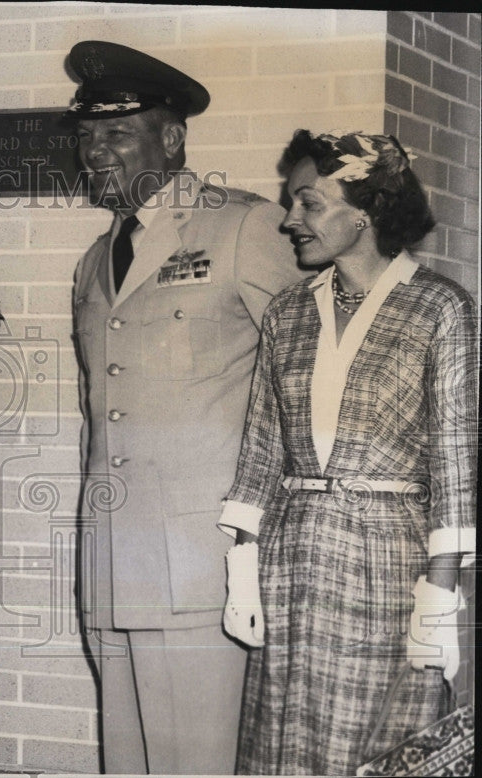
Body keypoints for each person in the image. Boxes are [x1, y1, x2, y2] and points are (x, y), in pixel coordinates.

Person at [66, 41, 308, 774]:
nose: (95, 151)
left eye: (117, 133)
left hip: (204, 561)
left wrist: (273, 544)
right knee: (129, 762)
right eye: (86, 136)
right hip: (112, 559)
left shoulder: (245, 228)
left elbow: (303, 385)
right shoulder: (92, 258)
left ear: (171, 139)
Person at [220, 129, 477, 775]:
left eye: (308, 203)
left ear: (367, 212)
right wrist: (243, 564)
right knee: (285, 744)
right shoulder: (287, 313)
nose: (289, 221)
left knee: (375, 748)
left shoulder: (440, 308)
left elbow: (455, 459)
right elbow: (262, 444)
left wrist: (440, 596)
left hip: (390, 565)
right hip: (293, 559)